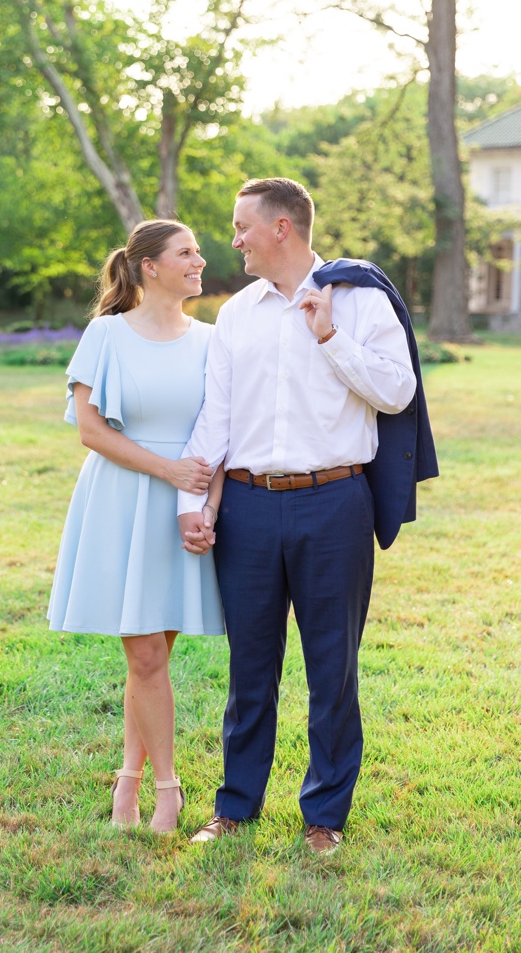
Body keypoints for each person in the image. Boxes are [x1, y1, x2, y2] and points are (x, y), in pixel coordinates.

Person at [177, 178, 419, 855]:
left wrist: (330, 336)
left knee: (332, 667)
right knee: (250, 667)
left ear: (281, 228)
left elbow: (398, 393)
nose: (233, 241)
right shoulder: (237, 314)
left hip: (334, 502)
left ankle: (324, 817)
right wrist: (191, 504)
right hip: (249, 508)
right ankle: (235, 806)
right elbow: (215, 417)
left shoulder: (361, 298)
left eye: (241, 226)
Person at [48, 219, 224, 834]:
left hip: (185, 511)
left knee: (152, 656)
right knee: (145, 653)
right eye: (187, 253)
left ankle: (127, 777)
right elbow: (91, 430)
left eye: (198, 252)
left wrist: (205, 507)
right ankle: (167, 791)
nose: (200, 261)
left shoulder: (211, 339)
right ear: (150, 266)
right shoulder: (105, 335)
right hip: (124, 500)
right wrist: (168, 471)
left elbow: (221, 434)